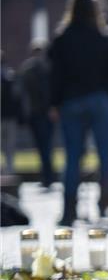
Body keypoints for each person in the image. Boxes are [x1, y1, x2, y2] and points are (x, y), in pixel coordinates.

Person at [47, 0, 108, 226]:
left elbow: (54, 75)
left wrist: (54, 103)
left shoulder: (61, 39)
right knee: (106, 157)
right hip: (100, 100)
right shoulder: (107, 38)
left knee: (72, 159)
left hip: (71, 101)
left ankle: (69, 211)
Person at [17, 40, 57, 188]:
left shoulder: (28, 69)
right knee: (46, 146)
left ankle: (47, 177)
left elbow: (21, 94)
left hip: (37, 113)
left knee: (43, 147)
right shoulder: (48, 68)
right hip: (46, 112)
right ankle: (48, 176)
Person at [1, 52, 19, 175]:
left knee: (9, 144)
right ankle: (8, 168)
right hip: (7, 116)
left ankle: (10, 168)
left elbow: (17, 96)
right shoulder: (10, 75)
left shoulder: (10, 75)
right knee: (7, 144)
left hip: (8, 115)